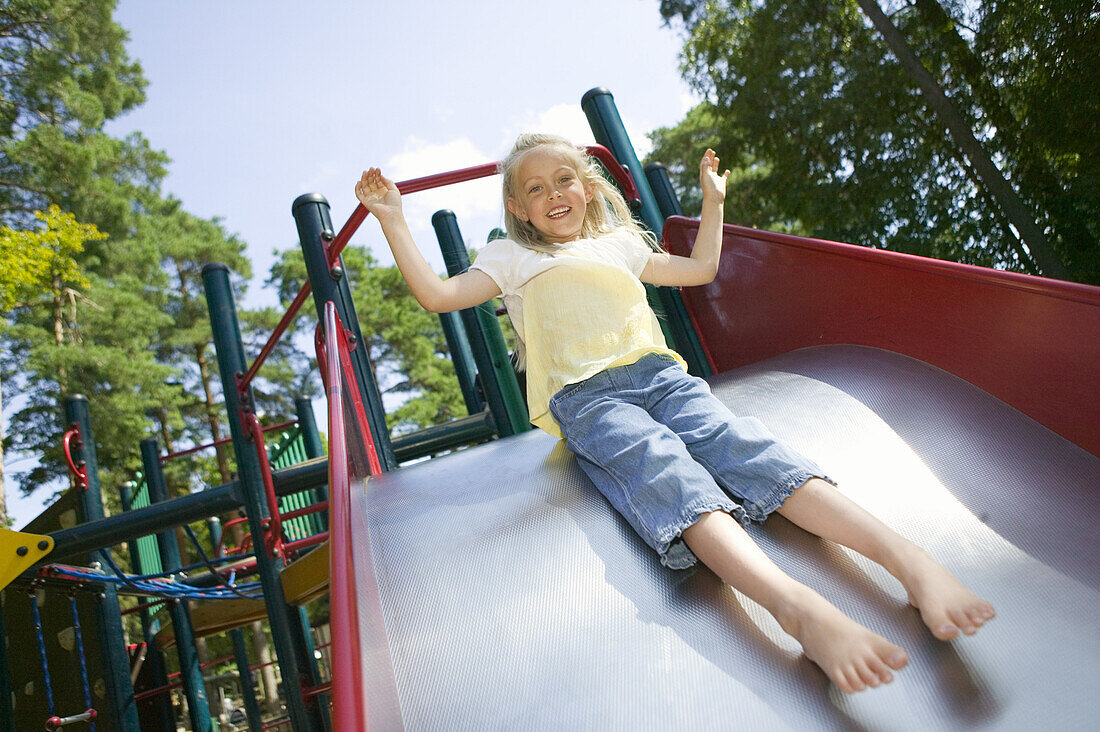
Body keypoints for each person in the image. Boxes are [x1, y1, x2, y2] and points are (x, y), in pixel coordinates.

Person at [354, 133, 995, 694]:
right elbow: (439, 295)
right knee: (668, 474)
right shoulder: (512, 259)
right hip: (589, 399)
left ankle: (911, 561)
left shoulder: (617, 244)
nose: (554, 194)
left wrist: (712, 202)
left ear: (588, 185)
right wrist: (393, 221)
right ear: (517, 208)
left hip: (663, 378)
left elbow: (701, 267)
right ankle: (794, 607)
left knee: (746, 448)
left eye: (565, 178)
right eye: (535, 188)